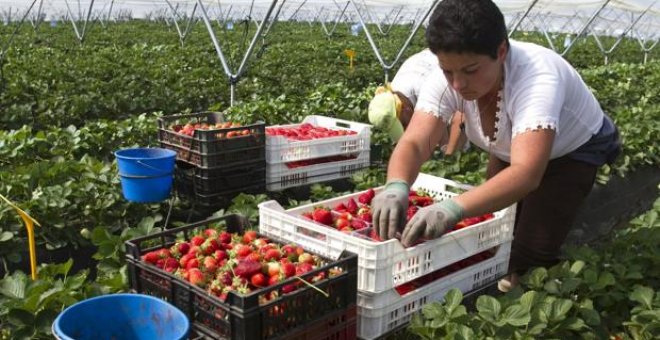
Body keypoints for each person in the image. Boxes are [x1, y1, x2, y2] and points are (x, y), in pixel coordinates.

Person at [371, 0, 621, 292]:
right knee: (497, 226)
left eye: (470, 70)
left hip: (573, 151)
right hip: (511, 148)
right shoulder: (448, 79)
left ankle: (526, 296)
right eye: (447, 71)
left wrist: (451, 208)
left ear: (501, 51)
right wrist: (397, 185)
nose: (458, 84)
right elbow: (415, 142)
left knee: (532, 247)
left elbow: (526, 173)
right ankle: (494, 282)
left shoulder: (537, 79)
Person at [367, 49, 468, 155]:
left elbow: (462, 115)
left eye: (404, 124)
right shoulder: (394, 90)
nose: (406, 128)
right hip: (434, 60)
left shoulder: (429, 88)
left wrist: (449, 155)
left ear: (405, 108)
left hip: (462, 60)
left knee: (459, 139)